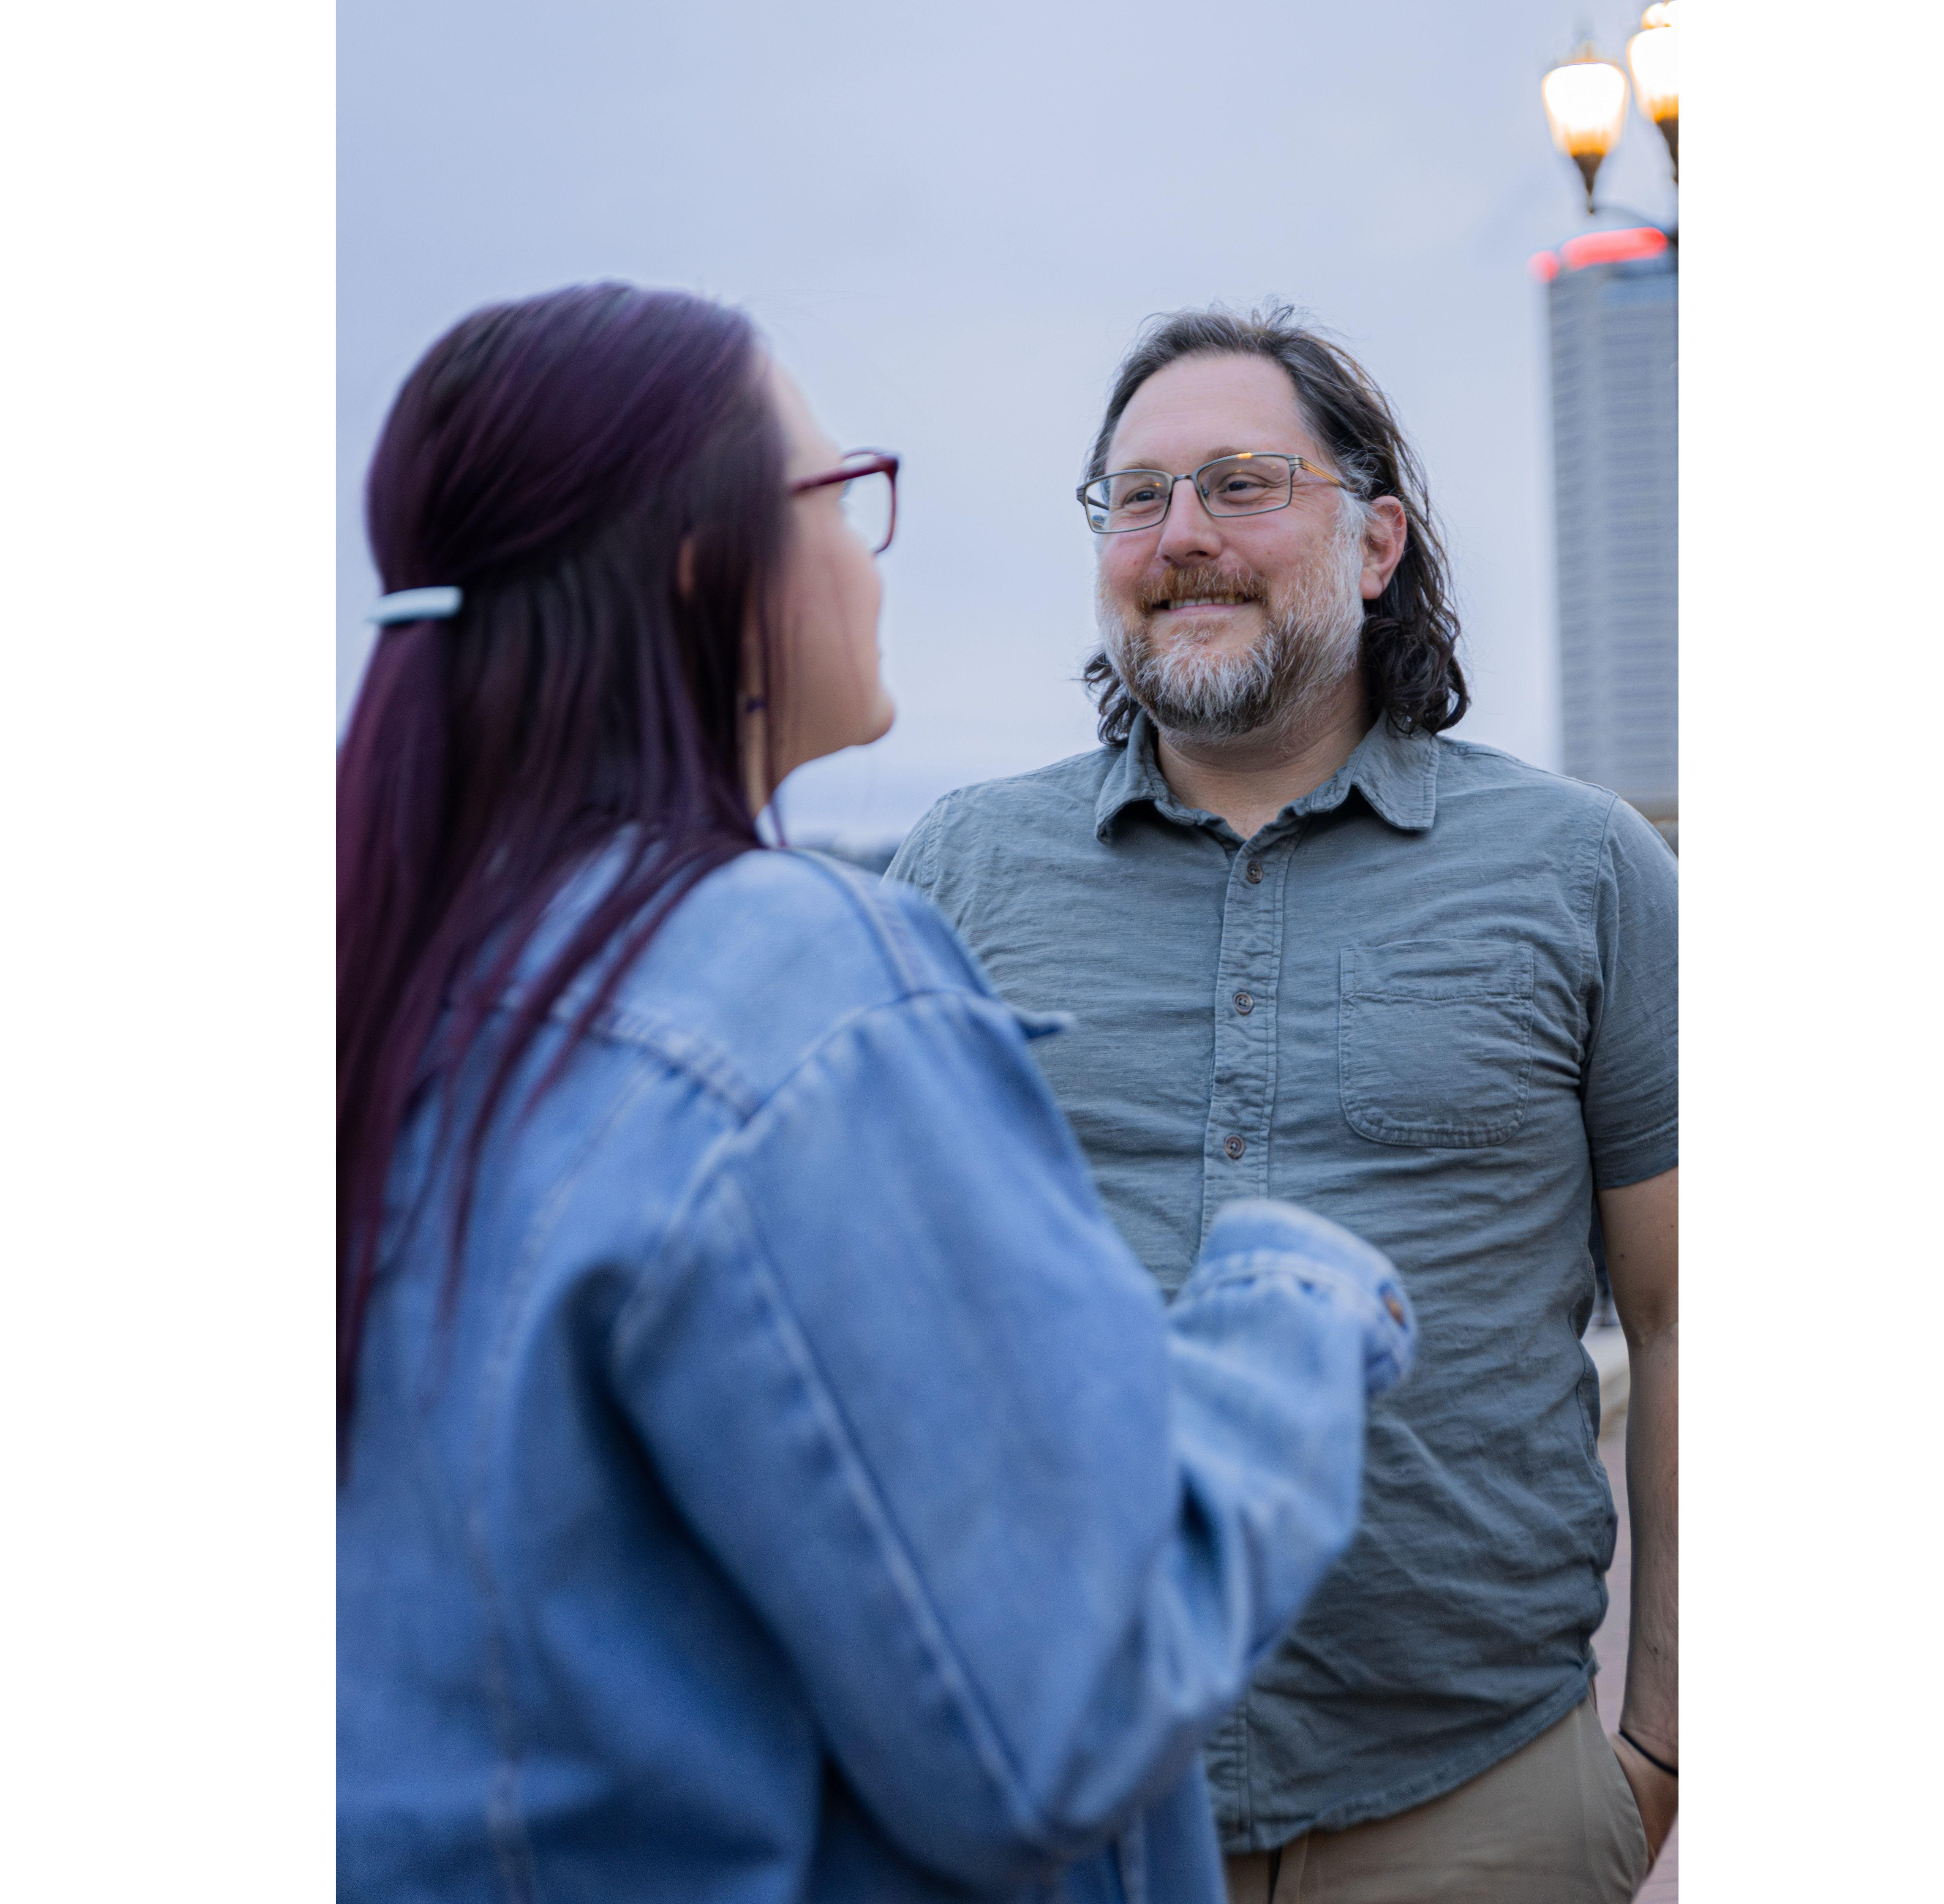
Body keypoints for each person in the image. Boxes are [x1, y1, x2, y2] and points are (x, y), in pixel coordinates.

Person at [336, 283, 1420, 1904]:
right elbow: (1068, 1693)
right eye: (842, 495)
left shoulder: (406, 968)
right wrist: (1296, 1301)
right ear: (711, 569)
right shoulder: (797, 986)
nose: (870, 554)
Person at [888, 304, 1678, 1903]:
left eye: (1243, 484)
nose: (1181, 535)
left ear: (1377, 544)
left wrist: (1664, 1747)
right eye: (1138, 496)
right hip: (1059, 1808)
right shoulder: (958, 874)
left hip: (1478, 1806)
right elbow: (879, 1320)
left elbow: (1690, 1318)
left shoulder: (1588, 870)